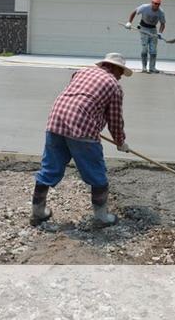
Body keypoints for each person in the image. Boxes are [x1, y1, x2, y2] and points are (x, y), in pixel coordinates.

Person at [30, 53, 132, 228]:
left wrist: (93, 122)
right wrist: (120, 142)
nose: (121, 76)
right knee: (96, 173)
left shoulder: (82, 72)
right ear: (114, 68)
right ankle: (101, 217)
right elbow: (115, 119)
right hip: (82, 129)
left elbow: (81, 99)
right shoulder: (114, 86)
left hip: (56, 121)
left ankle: (37, 213)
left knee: (49, 168)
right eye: (121, 71)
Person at [125, 0, 166, 73]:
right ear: (152, 3)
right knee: (144, 50)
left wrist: (160, 33)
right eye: (155, 3)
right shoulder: (144, 7)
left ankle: (152, 68)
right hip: (143, 28)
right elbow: (134, 12)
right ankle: (144, 68)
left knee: (153, 51)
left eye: (158, 4)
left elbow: (163, 24)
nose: (157, 5)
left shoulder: (161, 12)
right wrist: (129, 22)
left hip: (153, 29)